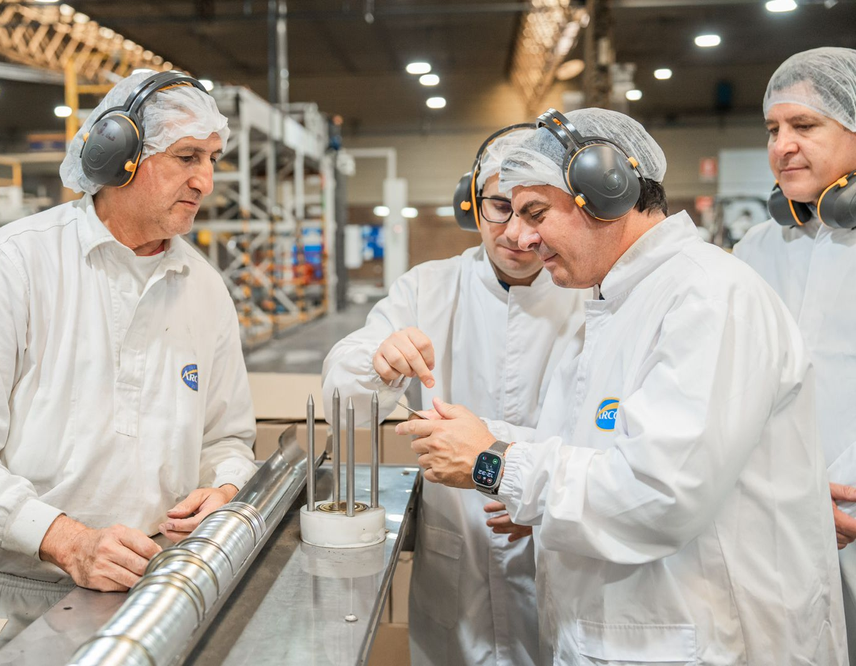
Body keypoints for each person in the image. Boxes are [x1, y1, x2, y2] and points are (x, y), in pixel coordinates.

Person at [397, 107, 847, 663]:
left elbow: (657, 495)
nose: (519, 237)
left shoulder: (707, 297)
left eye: (535, 211)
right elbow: (591, 450)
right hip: (630, 635)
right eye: (510, 214)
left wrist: (493, 463)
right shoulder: (612, 303)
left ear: (606, 192)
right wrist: (486, 436)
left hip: (712, 639)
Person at [0, 70, 257, 651]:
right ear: (116, 154)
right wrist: (65, 540)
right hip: (2, 602)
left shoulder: (204, 288)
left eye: (213, 158)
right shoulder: (15, 263)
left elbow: (227, 440)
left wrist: (222, 488)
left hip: (142, 599)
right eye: (187, 156)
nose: (206, 179)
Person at [322, 128, 587, 665]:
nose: (516, 235)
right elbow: (343, 399)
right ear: (472, 201)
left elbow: (618, 444)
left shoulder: (589, 297)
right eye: (497, 207)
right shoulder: (429, 288)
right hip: (456, 566)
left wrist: (532, 491)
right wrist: (380, 360)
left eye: (535, 213)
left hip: (556, 559)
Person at [733, 46, 856, 660]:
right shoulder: (757, 247)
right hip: (777, 520)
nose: (782, 145)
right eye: (773, 129)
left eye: (805, 126)